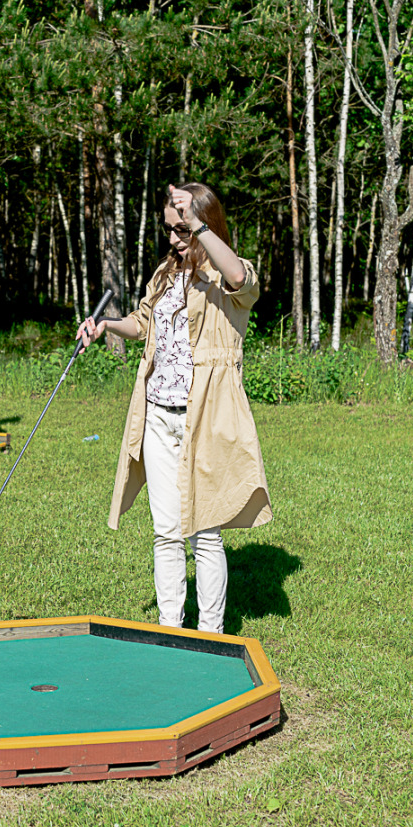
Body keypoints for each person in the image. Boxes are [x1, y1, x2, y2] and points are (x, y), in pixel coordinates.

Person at [78, 182, 271, 634]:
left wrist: (198, 226)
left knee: (205, 531)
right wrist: (106, 324)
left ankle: (210, 634)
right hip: (158, 415)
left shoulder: (226, 273)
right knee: (165, 530)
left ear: (204, 223)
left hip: (205, 418)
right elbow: (142, 323)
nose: (173, 238)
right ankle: (169, 629)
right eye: (169, 229)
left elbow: (243, 281)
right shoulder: (167, 272)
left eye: (180, 229)